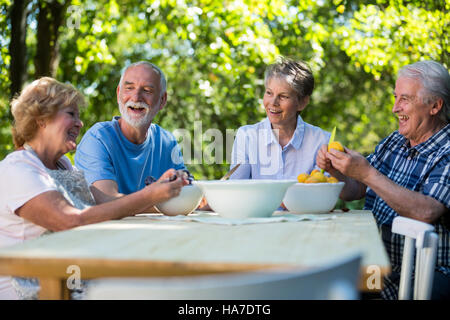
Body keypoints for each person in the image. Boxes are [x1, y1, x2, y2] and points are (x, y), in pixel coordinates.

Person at [0, 77, 188, 299]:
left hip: (70, 279)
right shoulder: (18, 168)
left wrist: (161, 194)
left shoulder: (63, 165)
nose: (80, 123)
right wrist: (150, 194)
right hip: (36, 289)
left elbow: (106, 204)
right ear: (42, 120)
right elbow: (70, 220)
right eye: (71, 114)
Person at [316, 60, 450, 299]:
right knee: (322, 286)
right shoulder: (393, 143)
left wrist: (367, 172)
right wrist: (337, 171)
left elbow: (427, 211)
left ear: (435, 106)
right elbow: (356, 190)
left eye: (405, 99)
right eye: (395, 97)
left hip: (427, 274)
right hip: (379, 269)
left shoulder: (447, 150)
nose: (395, 108)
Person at [74, 61, 186, 200]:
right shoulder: (98, 139)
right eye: (129, 88)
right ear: (118, 93)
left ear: (162, 100)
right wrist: (157, 196)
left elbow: (185, 193)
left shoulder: (167, 142)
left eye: (147, 90)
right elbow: (108, 202)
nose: (136, 97)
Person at [229, 57, 330, 179]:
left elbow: (321, 190)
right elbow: (237, 189)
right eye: (269, 93)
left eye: (283, 96)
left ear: (302, 103)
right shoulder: (246, 136)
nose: (273, 102)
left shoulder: (322, 141)